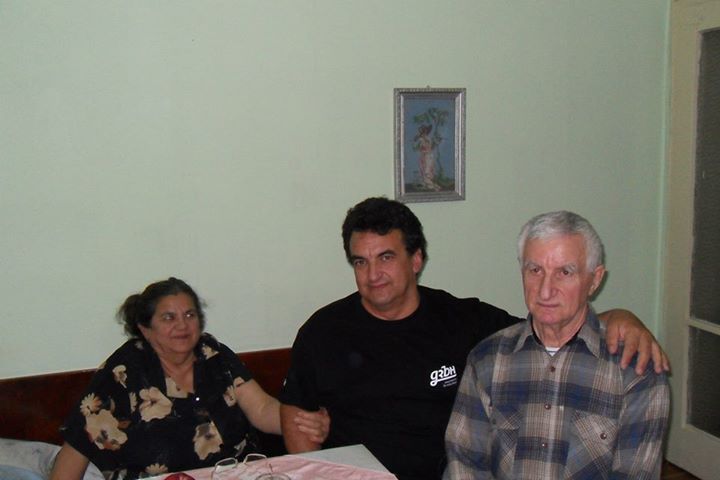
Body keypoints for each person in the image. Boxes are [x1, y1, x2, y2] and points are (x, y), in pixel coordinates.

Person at [279, 197, 669, 480]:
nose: (373, 274)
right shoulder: (323, 331)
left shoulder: (466, 323)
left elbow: (550, 322)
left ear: (416, 259)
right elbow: (296, 417)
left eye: (386, 257)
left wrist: (620, 317)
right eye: (360, 262)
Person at [443, 211, 670, 479]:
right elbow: (465, 463)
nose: (545, 290)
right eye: (535, 270)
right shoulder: (487, 360)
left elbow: (635, 474)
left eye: (565, 272)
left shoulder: (635, 370)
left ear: (595, 279)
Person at [51, 278, 329, 480]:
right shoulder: (123, 373)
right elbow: (77, 448)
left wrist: (303, 420)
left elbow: (262, 409)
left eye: (189, 315)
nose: (182, 325)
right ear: (145, 328)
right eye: (168, 318)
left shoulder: (213, 354)